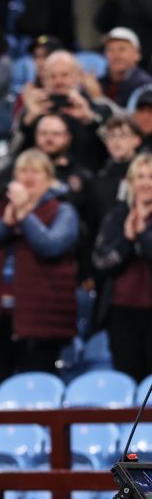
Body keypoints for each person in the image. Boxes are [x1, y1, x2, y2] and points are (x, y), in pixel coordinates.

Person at [0, 148, 79, 383]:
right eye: (23, 171)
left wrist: (25, 215)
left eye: (35, 171)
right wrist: (5, 224)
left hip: (41, 319)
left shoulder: (63, 210)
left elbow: (51, 245)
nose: (28, 176)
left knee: (36, 388)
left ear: (49, 178)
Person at [92, 152, 152, 380]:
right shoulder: (117, 216)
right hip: (121, 311)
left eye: (151, 177)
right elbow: (100, 261)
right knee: (127, 377)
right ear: (130, 182)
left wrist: (143, 234)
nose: (145, 183)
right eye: (140, 177)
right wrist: (126, 240)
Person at [100, 26, 152, 107]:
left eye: (122, 49)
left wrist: (99, 99)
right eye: (110, 50)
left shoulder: (145, 86)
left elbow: (136, 115)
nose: (116, 55)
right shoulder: (101, 83)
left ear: (137, 53)